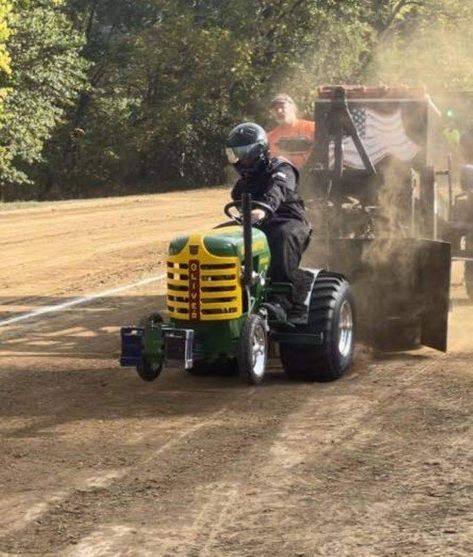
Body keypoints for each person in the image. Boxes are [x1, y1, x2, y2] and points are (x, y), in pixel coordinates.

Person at [225, 122, 311, 320]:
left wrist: (264, 210)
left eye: (243, 153)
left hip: (289, 221)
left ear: (258, 151)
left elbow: (278, 190)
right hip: (257, 224)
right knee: (221, 240)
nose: (239, 159)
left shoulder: (281, 168)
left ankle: (283, 300)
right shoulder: (241, 186)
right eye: (234, 153)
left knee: (281, 236)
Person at [267, 93, 315, 170]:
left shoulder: (312, 128)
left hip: (311, 176)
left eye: (282, 107)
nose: (279, 111)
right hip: (282, 178)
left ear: (293, 108)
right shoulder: (269, 138)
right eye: (275, 109)